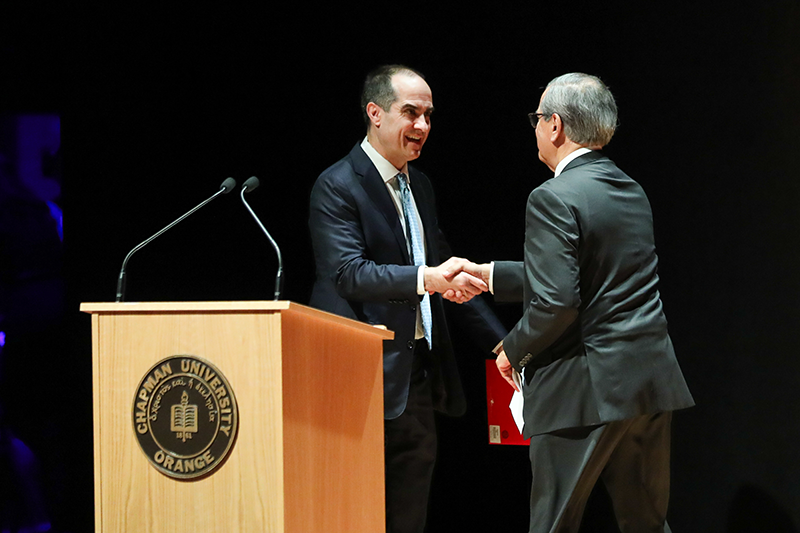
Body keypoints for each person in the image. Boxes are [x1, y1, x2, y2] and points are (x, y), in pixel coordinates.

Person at [443, 73, 694, 532]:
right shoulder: (630, 189)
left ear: (555, 125)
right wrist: (488, 274)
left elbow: (557, 302)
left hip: (587, 386)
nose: (535, 128)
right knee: (647, 524)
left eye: (537, 118)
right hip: (649, 382)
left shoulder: (551, 197)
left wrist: (512, 349)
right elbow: (597, 275)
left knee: (552, 524)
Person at [308, 64, 506, 533]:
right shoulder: (337, 185)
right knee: (351, 513)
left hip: (414, 376)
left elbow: (444, 270)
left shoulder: (421, 185)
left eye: (429, 116)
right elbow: (349, 274)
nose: (422, 127)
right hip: (352, 377)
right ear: (375, 113)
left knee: (408, 514)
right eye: (410, 113)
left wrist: (502, 346)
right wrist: (429, 278)